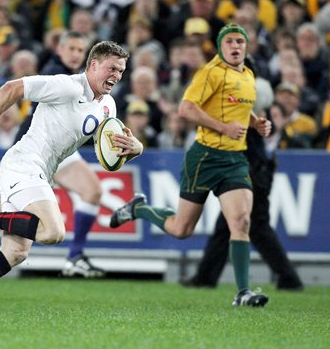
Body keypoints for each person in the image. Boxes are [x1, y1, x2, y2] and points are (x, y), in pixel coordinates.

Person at [0, 41, 143, 311]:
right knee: (53, 232)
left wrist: (137, 148)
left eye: (121, 71)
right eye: (111, 68)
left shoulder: (108, 106)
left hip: (41, 171)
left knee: (16, 252)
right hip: (24, 163)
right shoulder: (68, 85)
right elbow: (12, 88)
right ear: (93, 65)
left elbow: (113, 153)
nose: (116, 76)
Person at [110, 23, 273, 307]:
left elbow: (239, 109)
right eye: (230, 42)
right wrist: (223, 127)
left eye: (240, 42)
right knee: (181, 229)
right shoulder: (210, 73)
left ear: (247, 47)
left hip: (235, 159)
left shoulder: (248, 75)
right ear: (221, 47)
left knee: (241, 221)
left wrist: (256, 122)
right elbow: (185, 109)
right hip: (205, 158)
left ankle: (243, 292)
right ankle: (139, 208)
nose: (235, 46)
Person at [181, 77, 304, 291]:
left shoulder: (249, 123)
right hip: (250, 180)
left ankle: (288, 278)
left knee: (254, 229)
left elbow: (251, 153)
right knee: (229, 229)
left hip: (249, 181)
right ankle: (205, 277)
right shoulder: (254, 121)